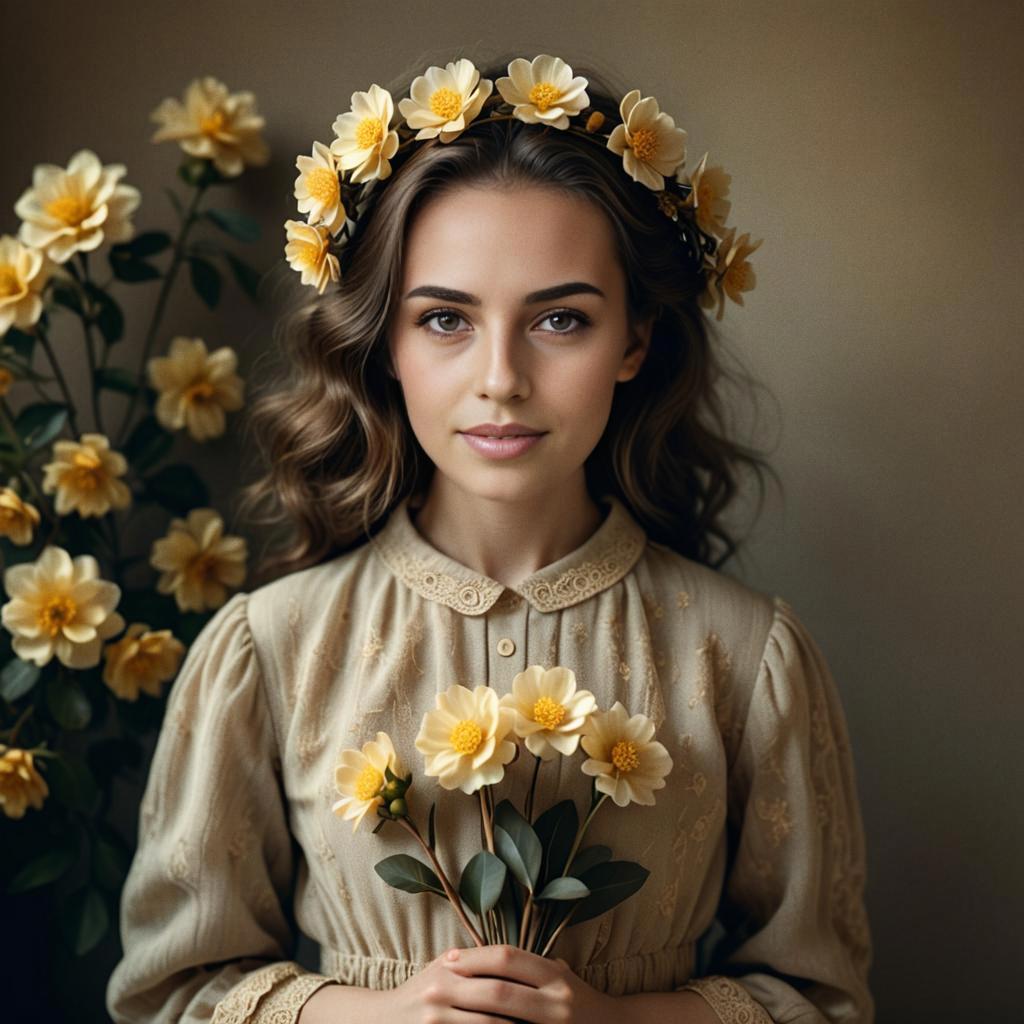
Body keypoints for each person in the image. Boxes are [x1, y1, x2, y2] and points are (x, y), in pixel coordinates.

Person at [106, 52, 873, 1024]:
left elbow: (821, 1000)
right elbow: (170, 994)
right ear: (387, 340)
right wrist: (381, 1015)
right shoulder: (269, 647)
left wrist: (619, 1020)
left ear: (634, 340)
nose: (501, 378)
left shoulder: (744, 653)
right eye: (445, 319)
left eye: (559, 319)